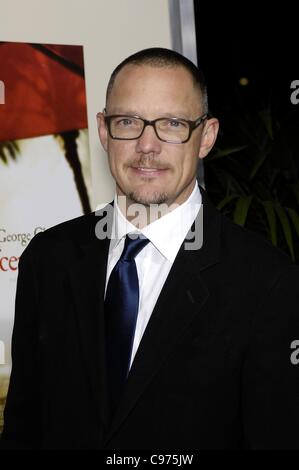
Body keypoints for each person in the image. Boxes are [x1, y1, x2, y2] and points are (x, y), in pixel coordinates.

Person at [1, 47, 299, 450]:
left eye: (172, 124)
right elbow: (25, 427)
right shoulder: (48, 258)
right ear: (104, 132)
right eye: (129, 121)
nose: (147, 145)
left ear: (206, 136)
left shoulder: (267, 282)